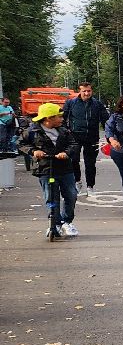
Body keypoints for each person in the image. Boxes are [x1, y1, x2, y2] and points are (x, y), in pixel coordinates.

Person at [20, 103, 80, 237]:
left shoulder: (64, 130)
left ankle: (67, 222)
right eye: (59, 117)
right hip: (45, 168)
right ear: (49, 118)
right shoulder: (32, 131)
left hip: (65, 168)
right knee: (51, 198)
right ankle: (55, 224)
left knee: (71, 195)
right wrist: (33, 151)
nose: (62, 119)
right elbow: (21, 143)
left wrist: (66, 153)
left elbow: (74, 144)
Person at [61, 81, 107, 194]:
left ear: (92, 91)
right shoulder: (71, 103)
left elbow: (105, 120)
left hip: (92, 137)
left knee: (90, 163)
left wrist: (109, 135)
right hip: (74, 137)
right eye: (84, 91)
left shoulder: (97, 104)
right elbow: (62, 118)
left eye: (89, 91)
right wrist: (66, 131)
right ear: (80, 91)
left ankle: (90, 186)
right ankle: (77, 181)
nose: (87, 93)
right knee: (73, 160)